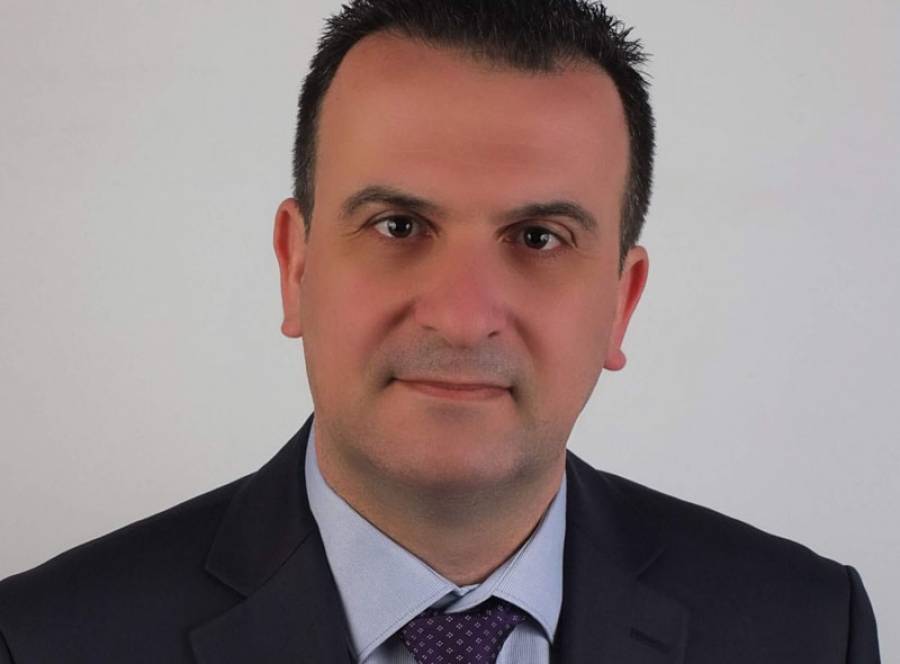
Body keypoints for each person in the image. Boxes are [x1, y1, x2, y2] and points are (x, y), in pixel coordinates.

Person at [0, 1, 882, 662]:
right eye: (398, 226)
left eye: (538, 239)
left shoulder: (808, 631)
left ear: (624, 301)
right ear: (296, 266)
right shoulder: (41, 642)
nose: (461, 316)